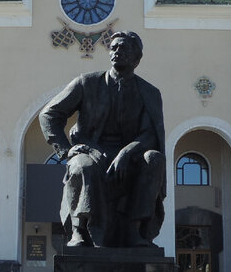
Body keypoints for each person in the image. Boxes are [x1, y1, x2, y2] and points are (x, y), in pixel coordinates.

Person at [39, 30, 166, 248]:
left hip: (131, 155)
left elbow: (150, 134)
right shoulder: (87, 83)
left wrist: (126, 153)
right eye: (113, 47)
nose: (116, 51)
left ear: (137, 58)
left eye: (123, 48)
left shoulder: (149, 92)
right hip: (91, 150)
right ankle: (80, 231)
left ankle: (134, 231)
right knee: (82, 166)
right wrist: (66, 150)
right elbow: (49, 114)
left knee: (154, 159)